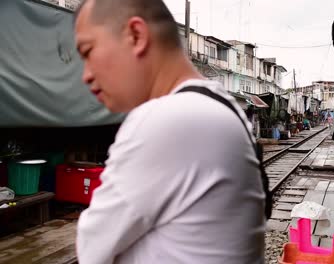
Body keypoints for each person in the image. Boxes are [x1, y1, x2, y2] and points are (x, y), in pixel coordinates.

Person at [73, 1, 265, 263]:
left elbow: (91, 250)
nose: (85, 75)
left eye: (88, 51)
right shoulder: (222, 105)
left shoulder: (166, 119)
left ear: (136, 36)